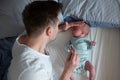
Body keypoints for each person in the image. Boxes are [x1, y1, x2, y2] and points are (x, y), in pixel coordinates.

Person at [7, 1, 85, 80]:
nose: (58, 26)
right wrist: (68, 71)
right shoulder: (33, 71)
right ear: (49, 31)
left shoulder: (25, 37)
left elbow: (44, 32)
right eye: (57, 25)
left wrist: (60, 28)